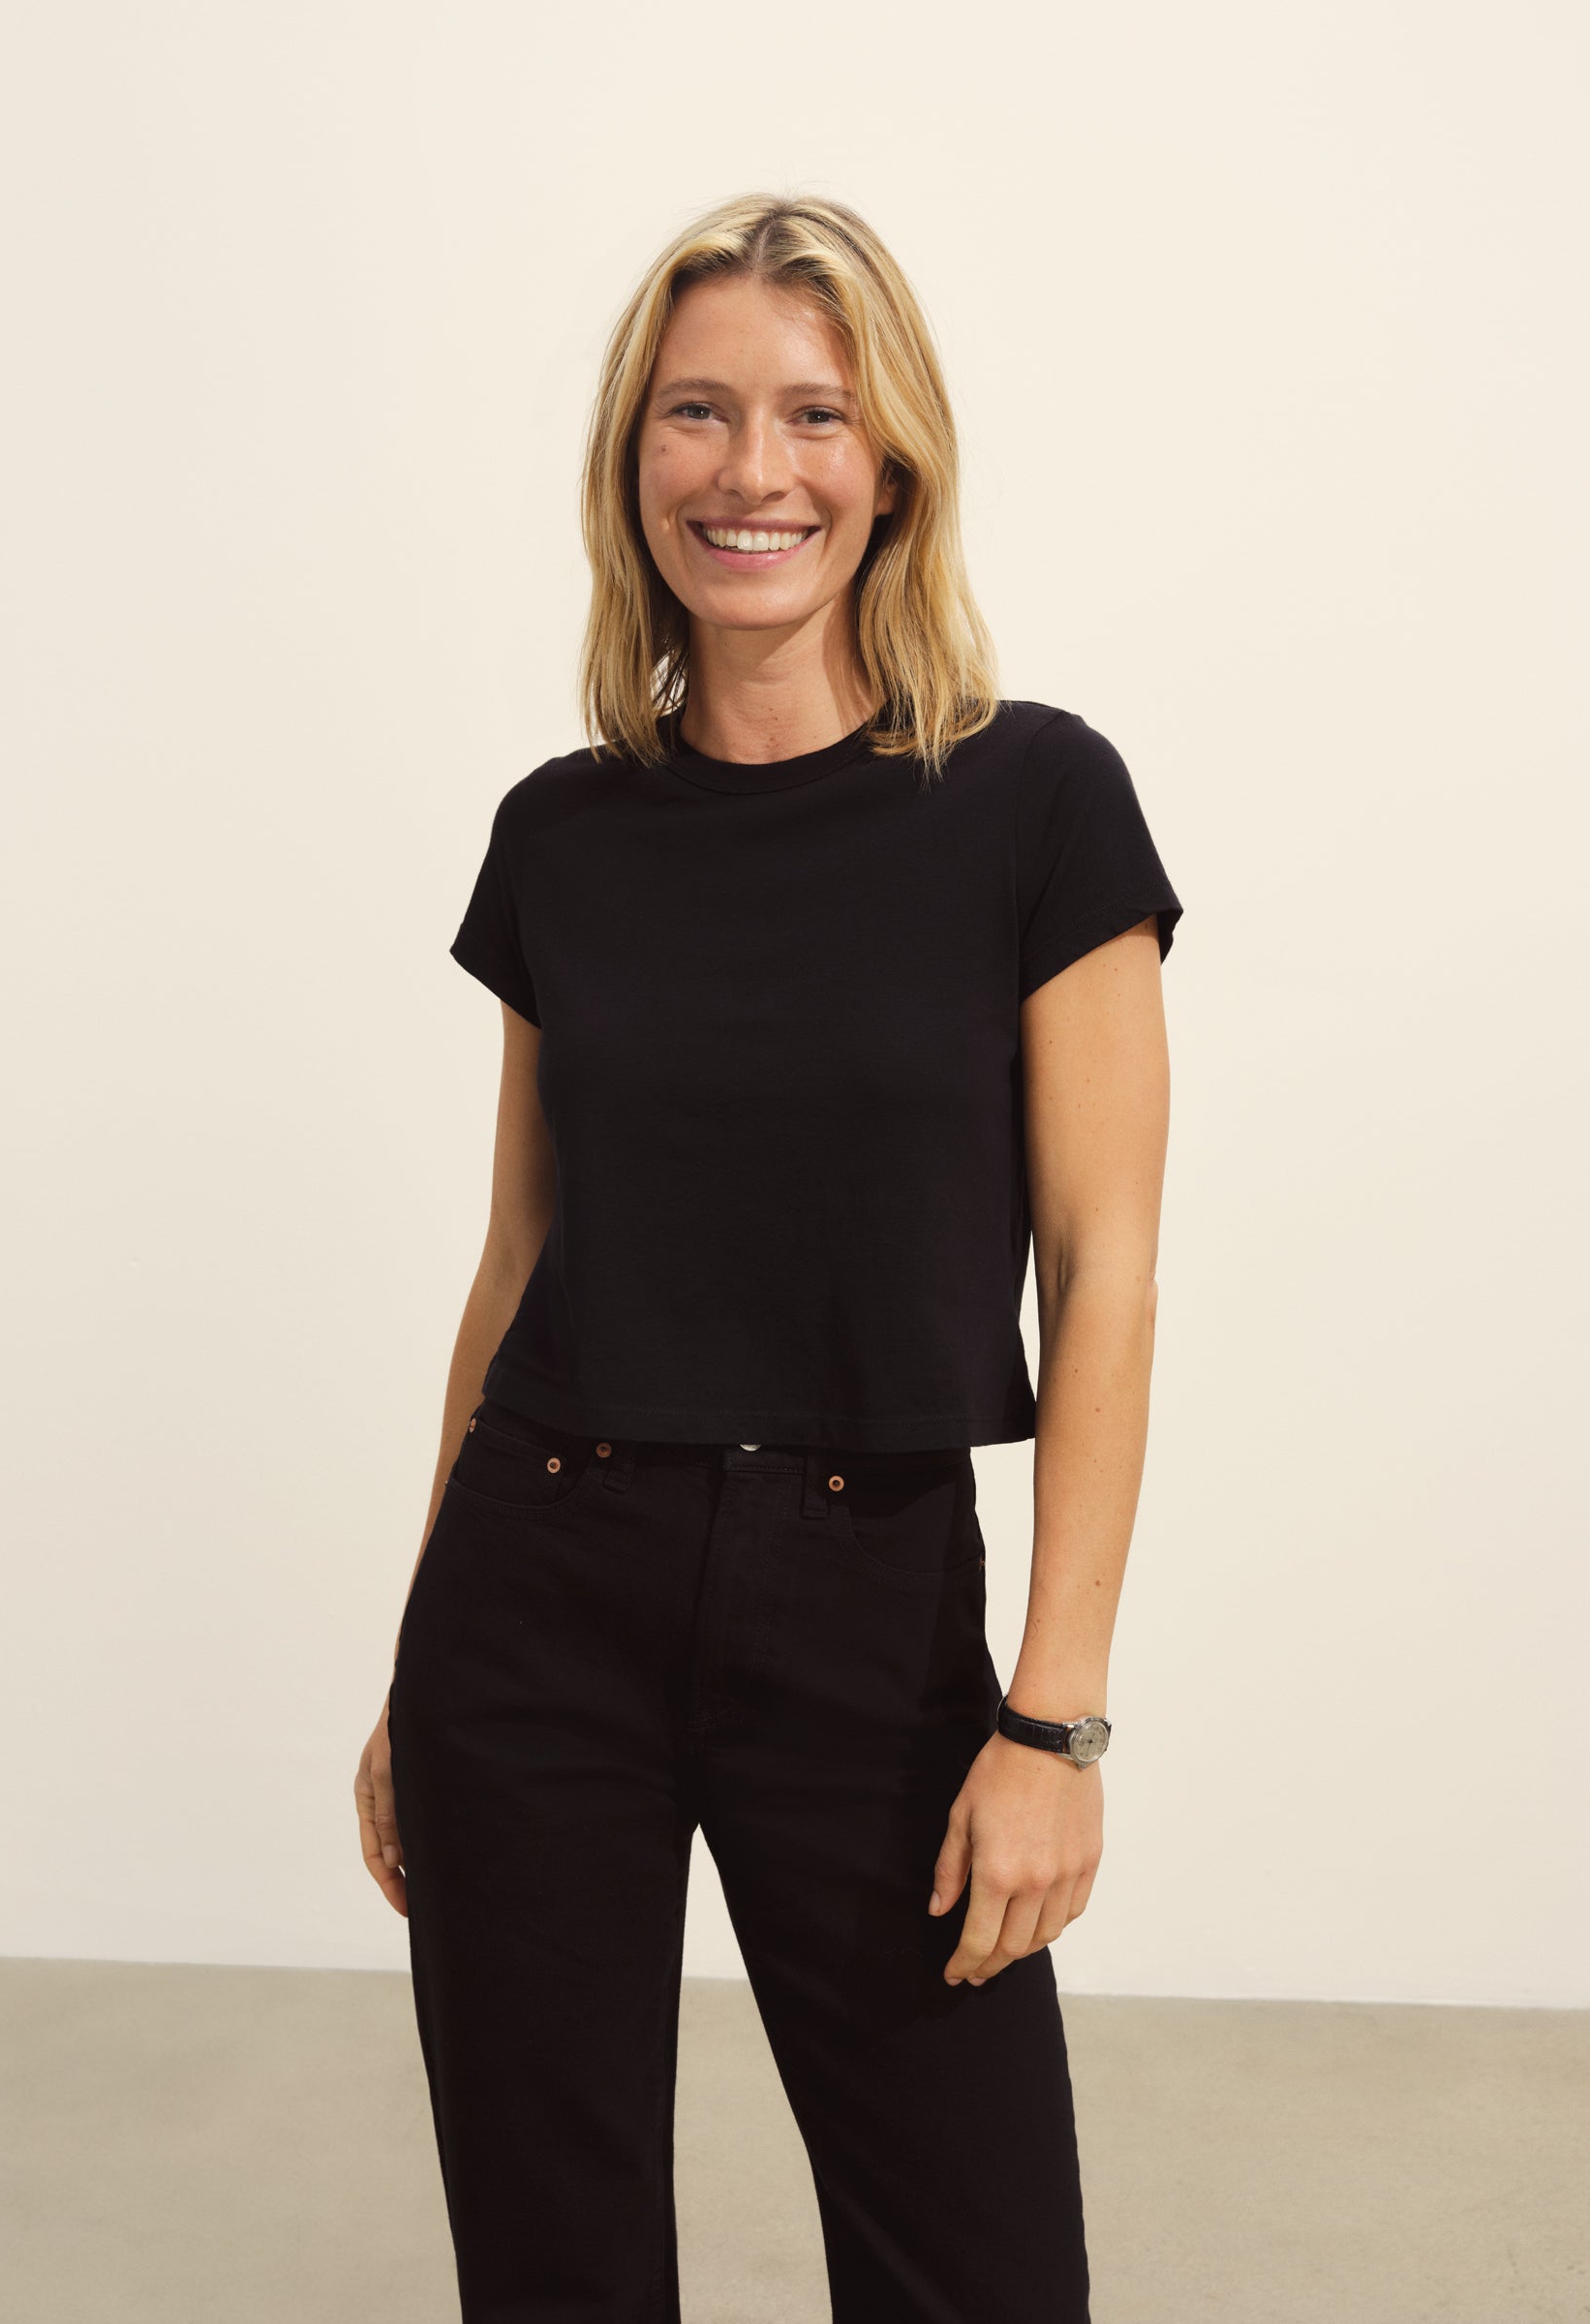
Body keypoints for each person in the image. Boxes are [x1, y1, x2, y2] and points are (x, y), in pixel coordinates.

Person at [354, 191, 1182, 2324]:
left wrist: (1057, 1722)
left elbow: (1103, 1269)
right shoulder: (564, 832)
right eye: (697, 412)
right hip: (538, 1591)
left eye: (814, 414)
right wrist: (416, 1663)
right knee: (554, 2269)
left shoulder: (1037, 803)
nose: (754, 470)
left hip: (872, 1601)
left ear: (892, 462)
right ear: (633, 460)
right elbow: (518, 1261)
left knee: (979, 2271)